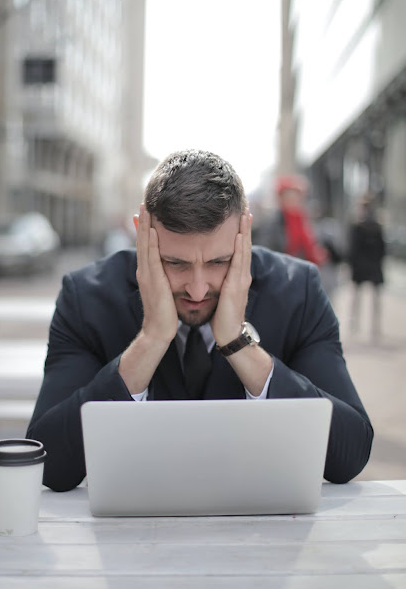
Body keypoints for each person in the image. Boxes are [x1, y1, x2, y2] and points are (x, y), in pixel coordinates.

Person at [27, 149, 373, 492]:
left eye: (219, 262)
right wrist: (150, 340)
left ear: (245, 234)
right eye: (175, 263)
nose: (196, 289)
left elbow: (349, 454)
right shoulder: (86, 298)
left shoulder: (298, 291)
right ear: (141, 232)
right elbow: (50, 464)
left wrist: (238, 344)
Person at [257, 175, 328, 267]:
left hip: (303, 270)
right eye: (289, 196)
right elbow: (267, 250)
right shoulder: (274, 223)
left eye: (296, 196)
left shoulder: (303, 219)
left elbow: (311, 245)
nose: (293, 200)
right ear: (281, 199)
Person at [347, 194, 386, 340]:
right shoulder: (368, 226)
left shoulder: (364, 226)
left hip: (368, 265)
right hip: (367, 265)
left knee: (368, 297)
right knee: (361, 297)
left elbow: (353, 248)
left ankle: (370, 325)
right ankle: (358, 323)